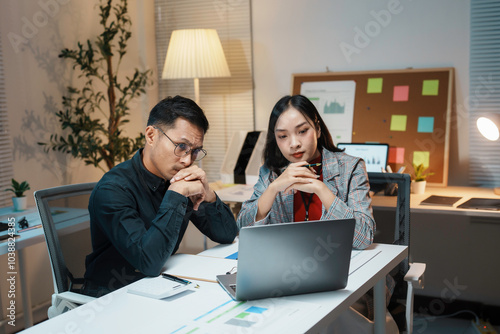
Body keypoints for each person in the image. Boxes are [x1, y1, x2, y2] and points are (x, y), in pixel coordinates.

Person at [83, 96, 239, 297]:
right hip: (110, 295)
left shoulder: (177, 176)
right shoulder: (113, 190)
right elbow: (148, 262)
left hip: (161, 285)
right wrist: (175, 195)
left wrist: (208, 195)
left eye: (195, 151)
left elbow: (226, 234)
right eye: (181, 146)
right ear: (151, 135)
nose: (187, 160)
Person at [237, 94, 375, 250]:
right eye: (283, 136)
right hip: (287, 265)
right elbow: (243, 229)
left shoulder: (350, 167)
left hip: (334, 261)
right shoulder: (271, 172)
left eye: (302, 131)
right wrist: (273, 188)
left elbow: (364, 237)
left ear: (317, 129)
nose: (294, 144)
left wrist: (321, 189)